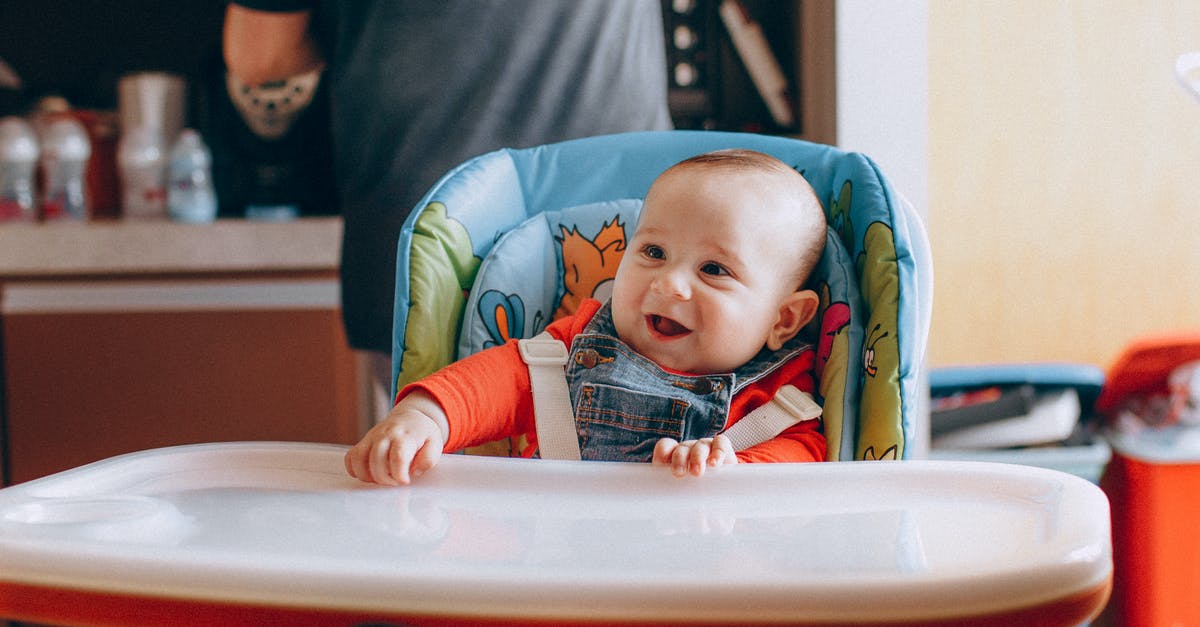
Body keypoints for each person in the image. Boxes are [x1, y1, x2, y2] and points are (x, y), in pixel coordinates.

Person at [222, 1, 673, 425]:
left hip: (441, 237)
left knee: (449, 457)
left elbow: (261, 55)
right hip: (631, 216)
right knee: (657, 461)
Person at [345, 149, 829, 485]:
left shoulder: (780, 395)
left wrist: (737, 468)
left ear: (784, 320)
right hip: (554, 557)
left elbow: (805, 454)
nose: (668, 284)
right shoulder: (576, 347)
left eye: (714, 270)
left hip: (697, 574)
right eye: (654, 252)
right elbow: (497, 381)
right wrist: (425, 416)